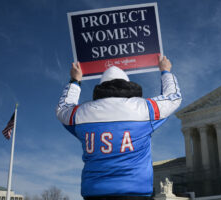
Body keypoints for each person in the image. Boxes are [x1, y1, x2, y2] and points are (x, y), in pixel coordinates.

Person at [56, 56, 182, 200]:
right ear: (127, 85)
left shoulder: (81, 114)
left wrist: (75, 80)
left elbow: (62, 109)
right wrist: (166, 71)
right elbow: (173, 97)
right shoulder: (144, 109)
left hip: (94, 194)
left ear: (100, 87)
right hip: (135, 193)